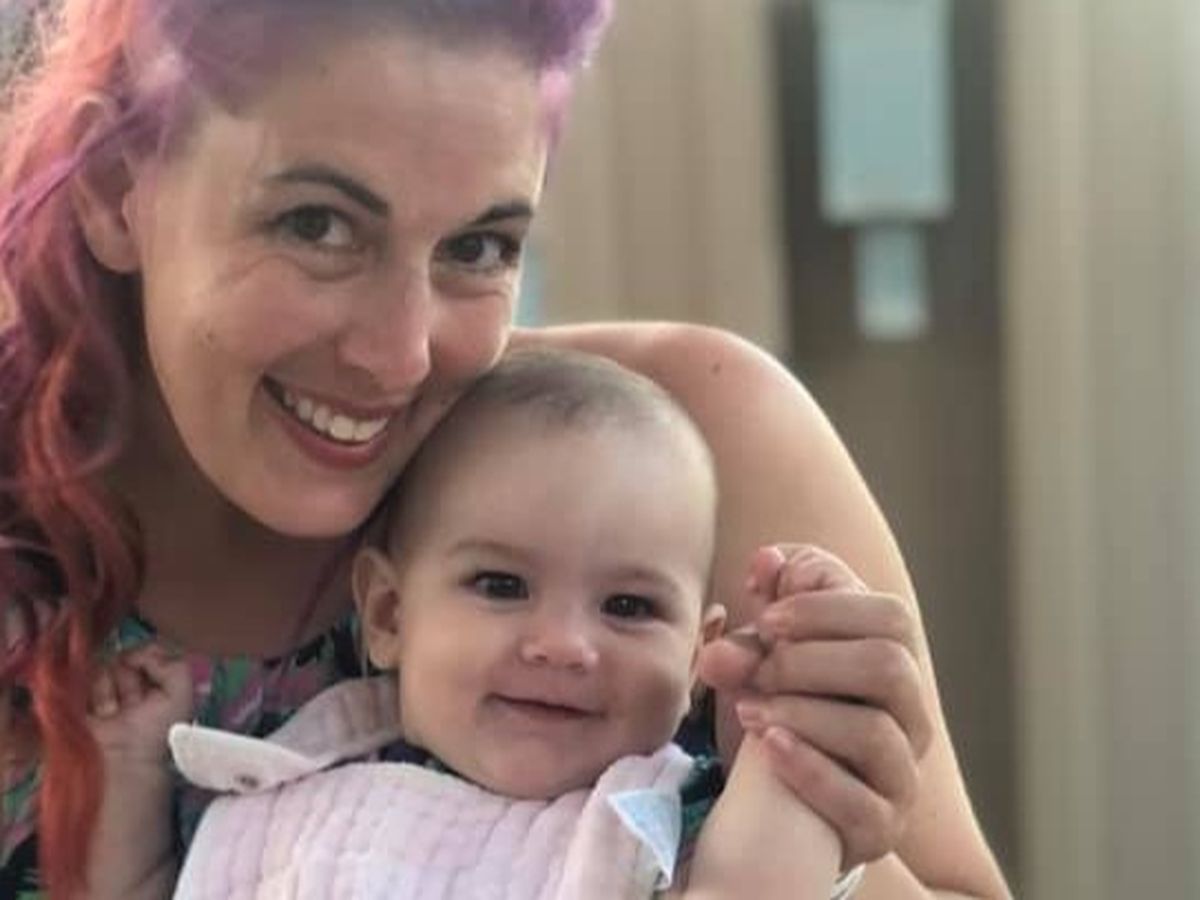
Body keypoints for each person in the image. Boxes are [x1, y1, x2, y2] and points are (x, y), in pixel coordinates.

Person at [0, 1, 1011, 898]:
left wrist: (810, 807)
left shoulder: (687, 448)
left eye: (477, 247)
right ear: (114, 189)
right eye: (317, 225)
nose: (401, 355)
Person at [87, 348, 867, 899]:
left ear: (699, 657)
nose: (562, 645)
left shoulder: (661, 822)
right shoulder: (283, 796)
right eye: (502, 586)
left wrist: (791, 721)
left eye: (629, 607)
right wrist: (126, 772)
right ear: (389, 613)